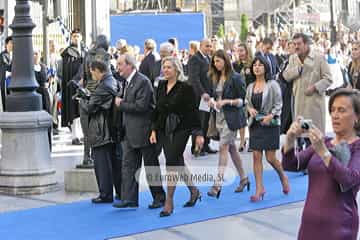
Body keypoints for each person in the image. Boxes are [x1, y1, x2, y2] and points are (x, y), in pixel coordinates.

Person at [282, 88, 360, 240]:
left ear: (357, 116)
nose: (335, 115)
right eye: (332, 110)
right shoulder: (324, 142)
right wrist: (290, 138)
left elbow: (349, 179)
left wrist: (323, 152)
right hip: (309, 224)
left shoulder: (356, 147)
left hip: (339, 227)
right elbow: (291, 164)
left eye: (342, 110)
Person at [150, 56, 204, 217]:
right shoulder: (160, 86)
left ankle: (169, 202)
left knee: (171, 161)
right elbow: (157, 110)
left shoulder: (186, 87)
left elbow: (194, 111)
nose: (165, 70)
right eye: (164, 67)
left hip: (182, 128)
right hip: (165, 129)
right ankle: (194, 191)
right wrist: (153, 129)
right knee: (177, 161)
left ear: (177, 69)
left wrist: (198, 133)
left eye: (169, 67)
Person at [112, 54, 166, 209]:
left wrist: (121, 104)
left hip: (144, 132)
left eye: (120, 64)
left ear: (130, 65)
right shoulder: (126, 82)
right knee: (128, 166)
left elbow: (141, 106)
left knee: (150, 167)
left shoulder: (143, 81)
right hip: (128, 133)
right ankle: (129, 199)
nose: (118, 68)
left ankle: (159, 197)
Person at [206, 50, 250, 198]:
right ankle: (244, 178)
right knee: (231, 149)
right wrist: (211, 101)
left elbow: (243, 100)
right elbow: (214, 96)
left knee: (223, 146)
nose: (216, 64)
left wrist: (227, 102)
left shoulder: (236, 77)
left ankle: (217, 184)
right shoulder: (215, 77)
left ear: (225, 60)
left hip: (232, 118)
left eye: (218, 61)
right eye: (214, 62)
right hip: (218, 117)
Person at [246, 56, 290, 202]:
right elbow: (247, 102)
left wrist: (271, 116)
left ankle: (283, 177)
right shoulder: (250, 86)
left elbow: (279, 103)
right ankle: (259, 188)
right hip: (256, 125)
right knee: (256, 156)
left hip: (270, 125)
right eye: (255, 65)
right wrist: (250, 109)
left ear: (266, 67)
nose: (257, 67)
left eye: (260, 65)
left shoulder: (272, 84)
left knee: (270, 158)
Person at [79, 60, 122, 203]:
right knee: (114, 163)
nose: (92, 76)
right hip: (110, 130)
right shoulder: (112, 81)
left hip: (102, 131)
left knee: (102, 164)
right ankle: (119, 192)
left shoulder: (104, 86)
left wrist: (82, 100)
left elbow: (90, 108)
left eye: (93, 73)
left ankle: (105, 194)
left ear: (98, 70)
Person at [282, 33, 332, 149]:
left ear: (306, 44)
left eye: (299, 44)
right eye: (294, 44)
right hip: (299, 106)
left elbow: (328, 78)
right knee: (299, 139)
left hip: (313, 106)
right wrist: (297, 70)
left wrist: (315, 87)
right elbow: (285, 76)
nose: (296, 47)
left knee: (313, 140)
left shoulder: (319, 58)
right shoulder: (293, 58)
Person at [188, 38, 217, 156]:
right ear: (200, 46)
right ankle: (196, 148)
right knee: (199, 122)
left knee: (206, 121)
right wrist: (202, 93)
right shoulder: (195, 59)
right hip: (199, 96)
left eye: (210, 46)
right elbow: (194, 78)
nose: (209, 48)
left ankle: (205, 145)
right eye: (207, 46)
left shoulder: (209, 59)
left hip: (208, 96)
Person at [60, 29, 85, 145]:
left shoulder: (85, 51)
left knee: (82, 112)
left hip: (84, 86)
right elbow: (67, 71)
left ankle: (82, 134)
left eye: (78, 36)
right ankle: (75, 136)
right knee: (74, 112)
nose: (76, 38)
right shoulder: (68, 52)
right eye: (74, 36)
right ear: (71, 38)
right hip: (72, 86)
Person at [232, 43, 254, 152]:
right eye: (238, 51)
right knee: (241, 119)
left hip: (251, 94)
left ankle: (252, 142)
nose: (240, 53)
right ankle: (241, 141)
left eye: (242, 50)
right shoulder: (235, 65)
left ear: (247, 51)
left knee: (251, 118)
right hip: (239, 95)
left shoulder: (253, 64)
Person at [0, 36, 12, 111]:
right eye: (11, 43)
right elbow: (7, 68)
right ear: (6, 44)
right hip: (4, 83)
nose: (12, 45)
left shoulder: (11, 55)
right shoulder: (3, 55)